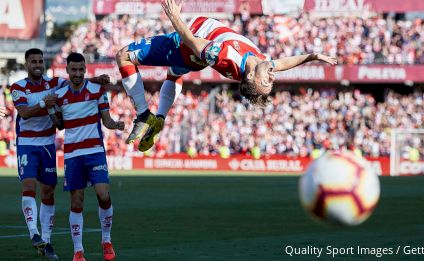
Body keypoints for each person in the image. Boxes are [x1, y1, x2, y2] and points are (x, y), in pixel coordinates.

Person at [116, 0, 337, 152]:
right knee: (174, 75)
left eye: (266, 81)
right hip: (195, 60)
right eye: (271, 80)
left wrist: (174, 17)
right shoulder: (261, 64)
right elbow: (284, 64)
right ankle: (160, 118)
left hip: (182, 47)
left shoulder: (224, 55)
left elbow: (191, 41)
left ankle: (144, 115)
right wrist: (313, 56)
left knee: (124, 56)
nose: (272, 77)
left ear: (250, 77)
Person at [11, 48, 110, 260]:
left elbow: (76, 83)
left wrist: (95, 78)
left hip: (48, 142)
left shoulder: (55, 83)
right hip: (27, 143)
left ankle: (46, 241)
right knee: (28, 185)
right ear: (27, 64)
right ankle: (34, 233)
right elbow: (24, 113)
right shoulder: (18, 87)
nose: (37, 64)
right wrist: (42, 103)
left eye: (40, 61)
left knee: (48, 191)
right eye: (33, 61)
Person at [49, 53, 124, 261]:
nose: (77, 73)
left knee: (103, 195)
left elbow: (107, 121)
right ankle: (78, 249)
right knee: (77, 201)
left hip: (94, 152)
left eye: (81, 69)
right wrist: (49, 109)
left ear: (85, 70)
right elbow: (60, 125)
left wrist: (116, 125)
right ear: (67, 70)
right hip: (73, 155)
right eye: (74, 69)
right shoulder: (60, 95)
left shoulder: (97, 91)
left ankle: (106, 240)